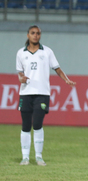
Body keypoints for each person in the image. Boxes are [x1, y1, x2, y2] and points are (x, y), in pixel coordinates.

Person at [16, 25, 75, 166]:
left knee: (37, 124)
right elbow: (20, 73)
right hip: (25, 93)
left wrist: (66, 79)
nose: (35, 35)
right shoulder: (20, 53)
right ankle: (25, 157)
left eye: (38, 33)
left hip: (42, 93)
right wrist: (21, 79)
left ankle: (38, 156)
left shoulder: (47, 52)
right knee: (25, 125)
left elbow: (57, 68)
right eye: (33, 33)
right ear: (28, 35)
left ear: (40, 35)